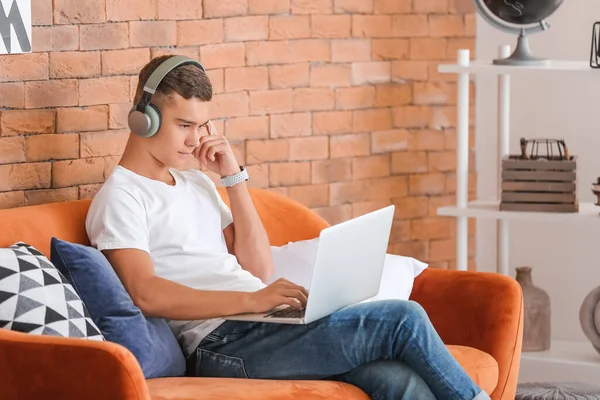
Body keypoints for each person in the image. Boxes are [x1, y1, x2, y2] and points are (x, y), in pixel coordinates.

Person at [85, 55, 490, 400]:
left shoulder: (194, 182)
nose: (196, 140)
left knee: (394, 381)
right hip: (218, 343)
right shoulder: (122, 197)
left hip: (259, 325)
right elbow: (145, 293)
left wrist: (233, 179)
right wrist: (254, 301)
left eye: (202, 126)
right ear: (144, 119)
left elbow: (258, 267)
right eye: (184, 125)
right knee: (403, 319)